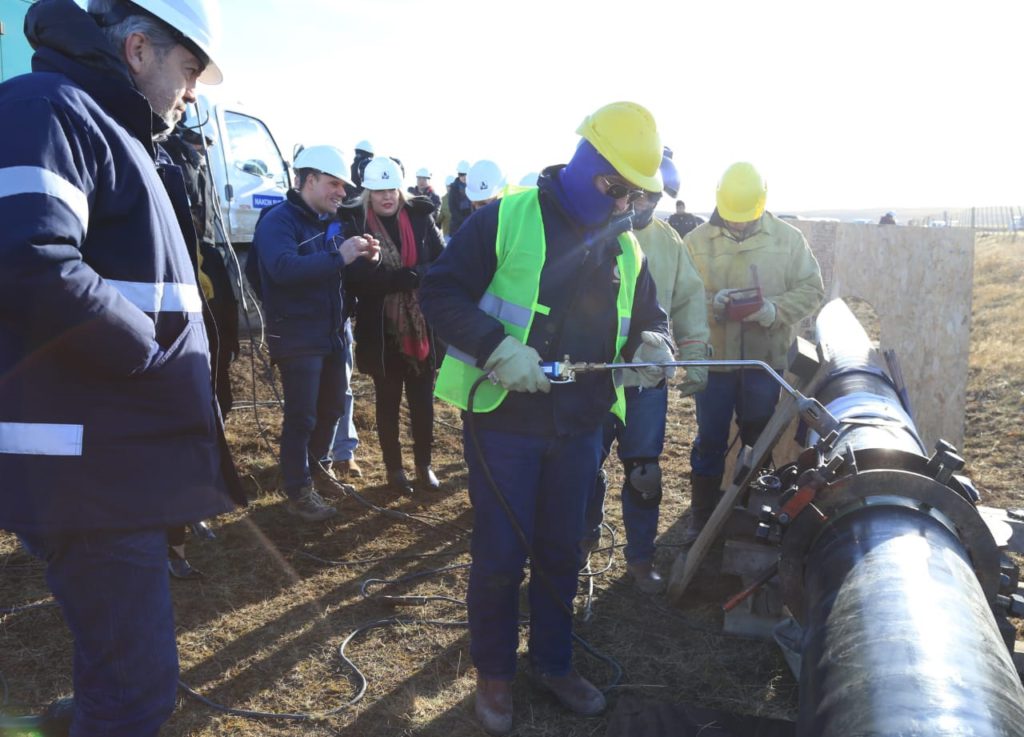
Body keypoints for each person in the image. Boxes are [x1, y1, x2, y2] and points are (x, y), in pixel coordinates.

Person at [0, 0, 247, 733]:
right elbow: (27, 256)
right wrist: (144, 347)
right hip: (89, 474)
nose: (194, 91)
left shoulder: (107, 126)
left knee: (118, 667)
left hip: (109, 465)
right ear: (138, 48)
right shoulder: (49, 106)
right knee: (138, 694)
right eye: (190, 69)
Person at [420, 101, 673, 736]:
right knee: (501, 556)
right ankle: (496, 677)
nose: (631, 210)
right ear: (601, 179)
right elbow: (439, 292)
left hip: (582, 428)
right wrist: (496, 347)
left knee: (563, 551)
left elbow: (648, 315)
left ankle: (554, 664)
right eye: (626, 196)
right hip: (505, 423)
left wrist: (654, 342)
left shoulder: (628, 250)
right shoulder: (506, 219)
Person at [582, 150, 709, 594]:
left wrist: (691, 352)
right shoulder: (589, 233)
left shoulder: (668, 241)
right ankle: (578, 547)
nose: (643, 207)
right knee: (583, 465)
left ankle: (640, 558)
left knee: (644, 472)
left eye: (652, 199)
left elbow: (690, 298)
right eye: (638, 197)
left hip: (646, 382)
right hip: (595, 376)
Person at [682, 162, 824, 545]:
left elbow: (812, 289)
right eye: (734, 218)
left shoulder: (788, 240)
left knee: (757, 439)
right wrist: (714, 303)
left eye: (747, 218)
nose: (740, 225)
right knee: (710, 438)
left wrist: (775, 311)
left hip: (765, 363)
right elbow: (680, 296)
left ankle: (747, 514)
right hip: (715, 361)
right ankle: (702, 519)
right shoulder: (696, 242)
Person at [250, 144, 380, 521]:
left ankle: (314, 471)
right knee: (302, 415)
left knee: (332, 408)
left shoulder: (331, 224)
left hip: (332, 333)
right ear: (309, 180)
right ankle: (297, 489)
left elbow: (341, 276)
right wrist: (339, 256)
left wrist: (364, 262)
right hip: (297, 334)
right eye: (334, 184)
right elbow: (280, 269)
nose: (342, 192)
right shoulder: (279, 220)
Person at [342, 157, 444, 494]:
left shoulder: (420, 216)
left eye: (391, 189)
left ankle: (423, 466)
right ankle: (394, 470)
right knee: (387, 403)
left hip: (421, 326)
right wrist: (391, 279)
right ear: (368, 193)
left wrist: (415, 276)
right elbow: (352, 279)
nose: (387, 197)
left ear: (400, 190)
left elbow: (442, 263)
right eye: (378, 190)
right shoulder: (355, 222)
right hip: (380, 330)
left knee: (422, 403)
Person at [447, 159, 472, 235]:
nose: (464, 177)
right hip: (457, 226)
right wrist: (464, 220)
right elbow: (452, 208)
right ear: (458, 174)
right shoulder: (453, 188)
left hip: (472, 223)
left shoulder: (473, 187)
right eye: (461, 174)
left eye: (465, 174)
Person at [437, 174, 455, 241]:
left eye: (451, 186)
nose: (449, 188)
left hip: (462, 234)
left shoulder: (463, 198)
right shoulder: (442, 200)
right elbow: (438, 219)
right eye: (448, 186)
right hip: (448, 236)